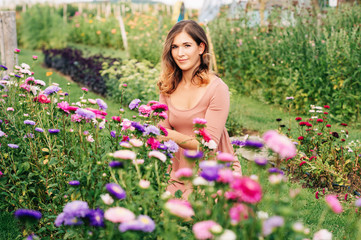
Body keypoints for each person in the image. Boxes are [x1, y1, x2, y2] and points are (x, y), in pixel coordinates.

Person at [157, 20, 242, 199]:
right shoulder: (167, 86)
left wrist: (169, 135)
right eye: (175, 47)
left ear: (201, 47)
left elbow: (207, 144)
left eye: (187, 45)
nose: (180, 53)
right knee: (158, 215)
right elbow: (160, 133)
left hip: (213, 173)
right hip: (177, 172)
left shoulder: (217, 88)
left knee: (189, 216)